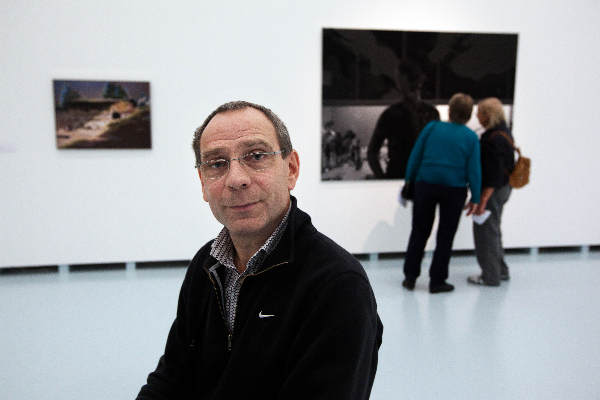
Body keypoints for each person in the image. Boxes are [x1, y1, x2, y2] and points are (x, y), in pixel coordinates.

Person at [136, 101, 383, 399]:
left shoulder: (337, 286)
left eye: (256, 156)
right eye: (216, 163)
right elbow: (172, 377)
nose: (236, 179)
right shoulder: (207, 264)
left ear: (290, 169)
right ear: (203, 183)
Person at [402, 93, 481, 293]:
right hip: (454, 190)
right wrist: (476, 196)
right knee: (446, 235)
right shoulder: (470, 137)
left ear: (451, 109)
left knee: (419, 230)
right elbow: (474, 170)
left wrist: (408, 180)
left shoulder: (432, 128)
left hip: (425, 185)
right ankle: (437, 281)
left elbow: (415, 156)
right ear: (469, 114)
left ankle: (410, 277)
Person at [466, 97, 515, 286]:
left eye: (480, 112)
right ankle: (500, 270)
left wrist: (482, 199)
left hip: (492, 191)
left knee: (486, 232)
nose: (477, 116)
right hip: (504, 188)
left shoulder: (491, 139)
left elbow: (492, 173)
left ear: (488, 115)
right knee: (494, 230)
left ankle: (490, 275)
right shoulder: (504, 133)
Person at [367, 61, 440, 179]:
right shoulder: (431, 113)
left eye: (400, 80)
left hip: (405, 178)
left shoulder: (391, 114)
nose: (398, 84)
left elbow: (372, 153)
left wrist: (382, 180)